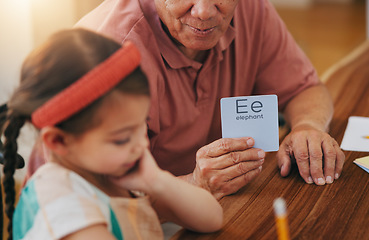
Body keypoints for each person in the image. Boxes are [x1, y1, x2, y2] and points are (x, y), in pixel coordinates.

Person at [28, 0, 345, 200]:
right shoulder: (113, 52)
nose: (205, 12)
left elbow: (305, 88)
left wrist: (307, 124)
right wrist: (193, 186)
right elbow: (99, 203)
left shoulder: (252, 8)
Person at [0, 28, 222, 240]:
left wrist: (157, 180)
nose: (140, 144)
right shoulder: (60, 202)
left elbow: (212, 219)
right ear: (59, 140)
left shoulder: (116, 171)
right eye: (122, 139)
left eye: (142, 126)